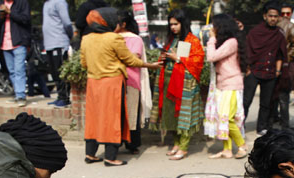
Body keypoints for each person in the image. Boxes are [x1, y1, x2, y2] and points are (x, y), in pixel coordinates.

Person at [81, 7, 160, 166]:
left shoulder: (86, 39)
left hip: (93, 83)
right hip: (112, 84)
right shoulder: (113, 38)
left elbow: (84, 63)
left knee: (94, 118)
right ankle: (110, 157)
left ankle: (90, 154)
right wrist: (149, 65)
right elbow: (130, 60)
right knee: (112, 119)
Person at [149, 8, 205, 160]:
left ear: (183, 23)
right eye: (171, 24)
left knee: (183, 115)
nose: (173, 27)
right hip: (168, 82)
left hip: (184, 84)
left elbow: (198, 61)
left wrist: (177, 58)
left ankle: (184, 147)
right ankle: (176, 143)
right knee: (170, 115)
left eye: (176, 24)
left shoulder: (192, 41)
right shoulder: (171, 39)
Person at [204, 13, 247, 159]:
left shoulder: (231, 42)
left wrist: (211, 39)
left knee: (228, 119)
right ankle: (227, 149)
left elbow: (211, 57)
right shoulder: (226, 42)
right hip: (223, 85)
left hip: (231, 85)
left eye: (214, 26)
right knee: (222, 118)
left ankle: (242, 145)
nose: (212, 28)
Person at [243, 2, 287, 136]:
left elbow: (280, 54)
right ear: (264, 16)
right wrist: (247, 68)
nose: (273, 19)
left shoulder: (279, 34)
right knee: (246, 100)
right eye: (270, 16)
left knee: (266, 102)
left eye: (275, 16)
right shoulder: (255, 32)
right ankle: (239, 125)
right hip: (254, 71)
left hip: (270, 72)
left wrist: (278, 71)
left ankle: (261, 127)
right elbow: (247, 51)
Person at [117, 10, 152, 155]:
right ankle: (121, 143)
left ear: (123, 24)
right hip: (118, 80)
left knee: (131, 113)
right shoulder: (112, 37)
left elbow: (134, 57)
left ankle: (131, 143)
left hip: (130, 80)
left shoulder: (135, 39)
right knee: (123, 113)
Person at [0, 0, 30, 107]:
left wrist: (10, 12)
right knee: (12, 71)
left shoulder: (22, 3)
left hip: (19, 42)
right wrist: (1, 16)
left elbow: (26, 19)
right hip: (5, 43)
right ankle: (17, 94)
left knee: (19, 70)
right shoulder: (0, 3)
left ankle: (21, 95)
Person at [270, 3, 294, 130]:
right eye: (283, 13)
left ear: (291, 14)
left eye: (288, 13)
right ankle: (273, 120)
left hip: (286, 67)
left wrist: (285, 58)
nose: (285, 16)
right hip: (272, 65)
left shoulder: (290, 26)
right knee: (272, 95)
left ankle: (284, 123)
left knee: (283, 96)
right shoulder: (273, 25)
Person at [43, 0, 72, 108]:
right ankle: (60, 96)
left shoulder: (60, 2)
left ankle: (65, 98)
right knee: (54, 72)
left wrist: (70, 36)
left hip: (59, 42)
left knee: (61, 72)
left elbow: (67, 22)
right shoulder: (46, 3)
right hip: (49, 44)